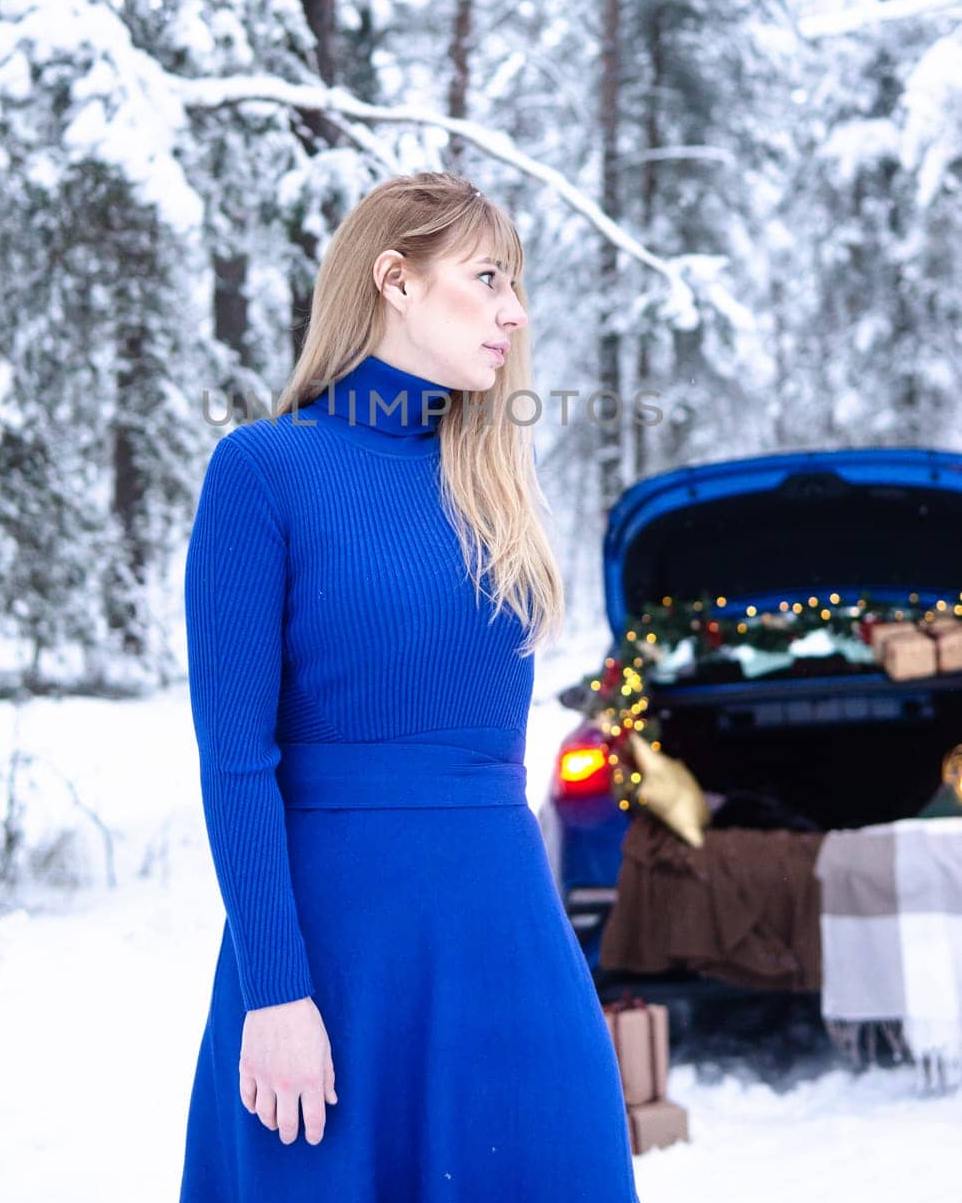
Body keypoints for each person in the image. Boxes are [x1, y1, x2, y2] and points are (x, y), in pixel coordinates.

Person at [178, 171, 641, 1201]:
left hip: (506, 948)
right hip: (336, 961)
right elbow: (236, 762)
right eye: (486, 277)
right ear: (394, 278)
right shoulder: (263, 470)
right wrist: (277, 992)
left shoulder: (490, 480)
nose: (513, 310)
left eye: (515, 282)